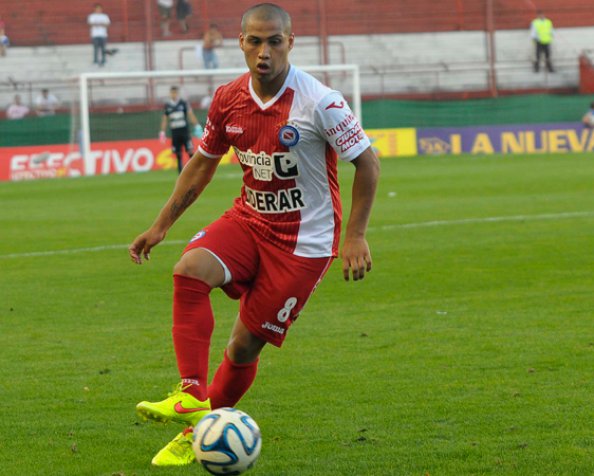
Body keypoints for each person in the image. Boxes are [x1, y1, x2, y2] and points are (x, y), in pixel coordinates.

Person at [128, 2, 379, 467]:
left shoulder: (320, 102)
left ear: (290, 43)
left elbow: (367, 163)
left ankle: (197, 435)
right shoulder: (228, 98)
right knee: (189, 269)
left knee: (243, 347)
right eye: (255, 41)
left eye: (274, 42)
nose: (264, 52)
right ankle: (191, 395)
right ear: (241, 42)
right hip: (250, 220)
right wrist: (160, 225)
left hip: (304, 244)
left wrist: (356, 235)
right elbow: (202, 164)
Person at [159, 85, 202, 173]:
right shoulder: (167, 106)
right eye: (172, 93)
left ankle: (194, 172)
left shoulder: (183, 103)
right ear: (170, 94)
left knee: (190, 152)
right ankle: (180, 174)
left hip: (184, 132)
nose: (173, 94)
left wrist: (197, 126)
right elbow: (165, 119)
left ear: (177, 93)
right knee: (178, 154)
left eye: (175, 93)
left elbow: (190, 114)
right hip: (175, 133)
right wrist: (162, 132)